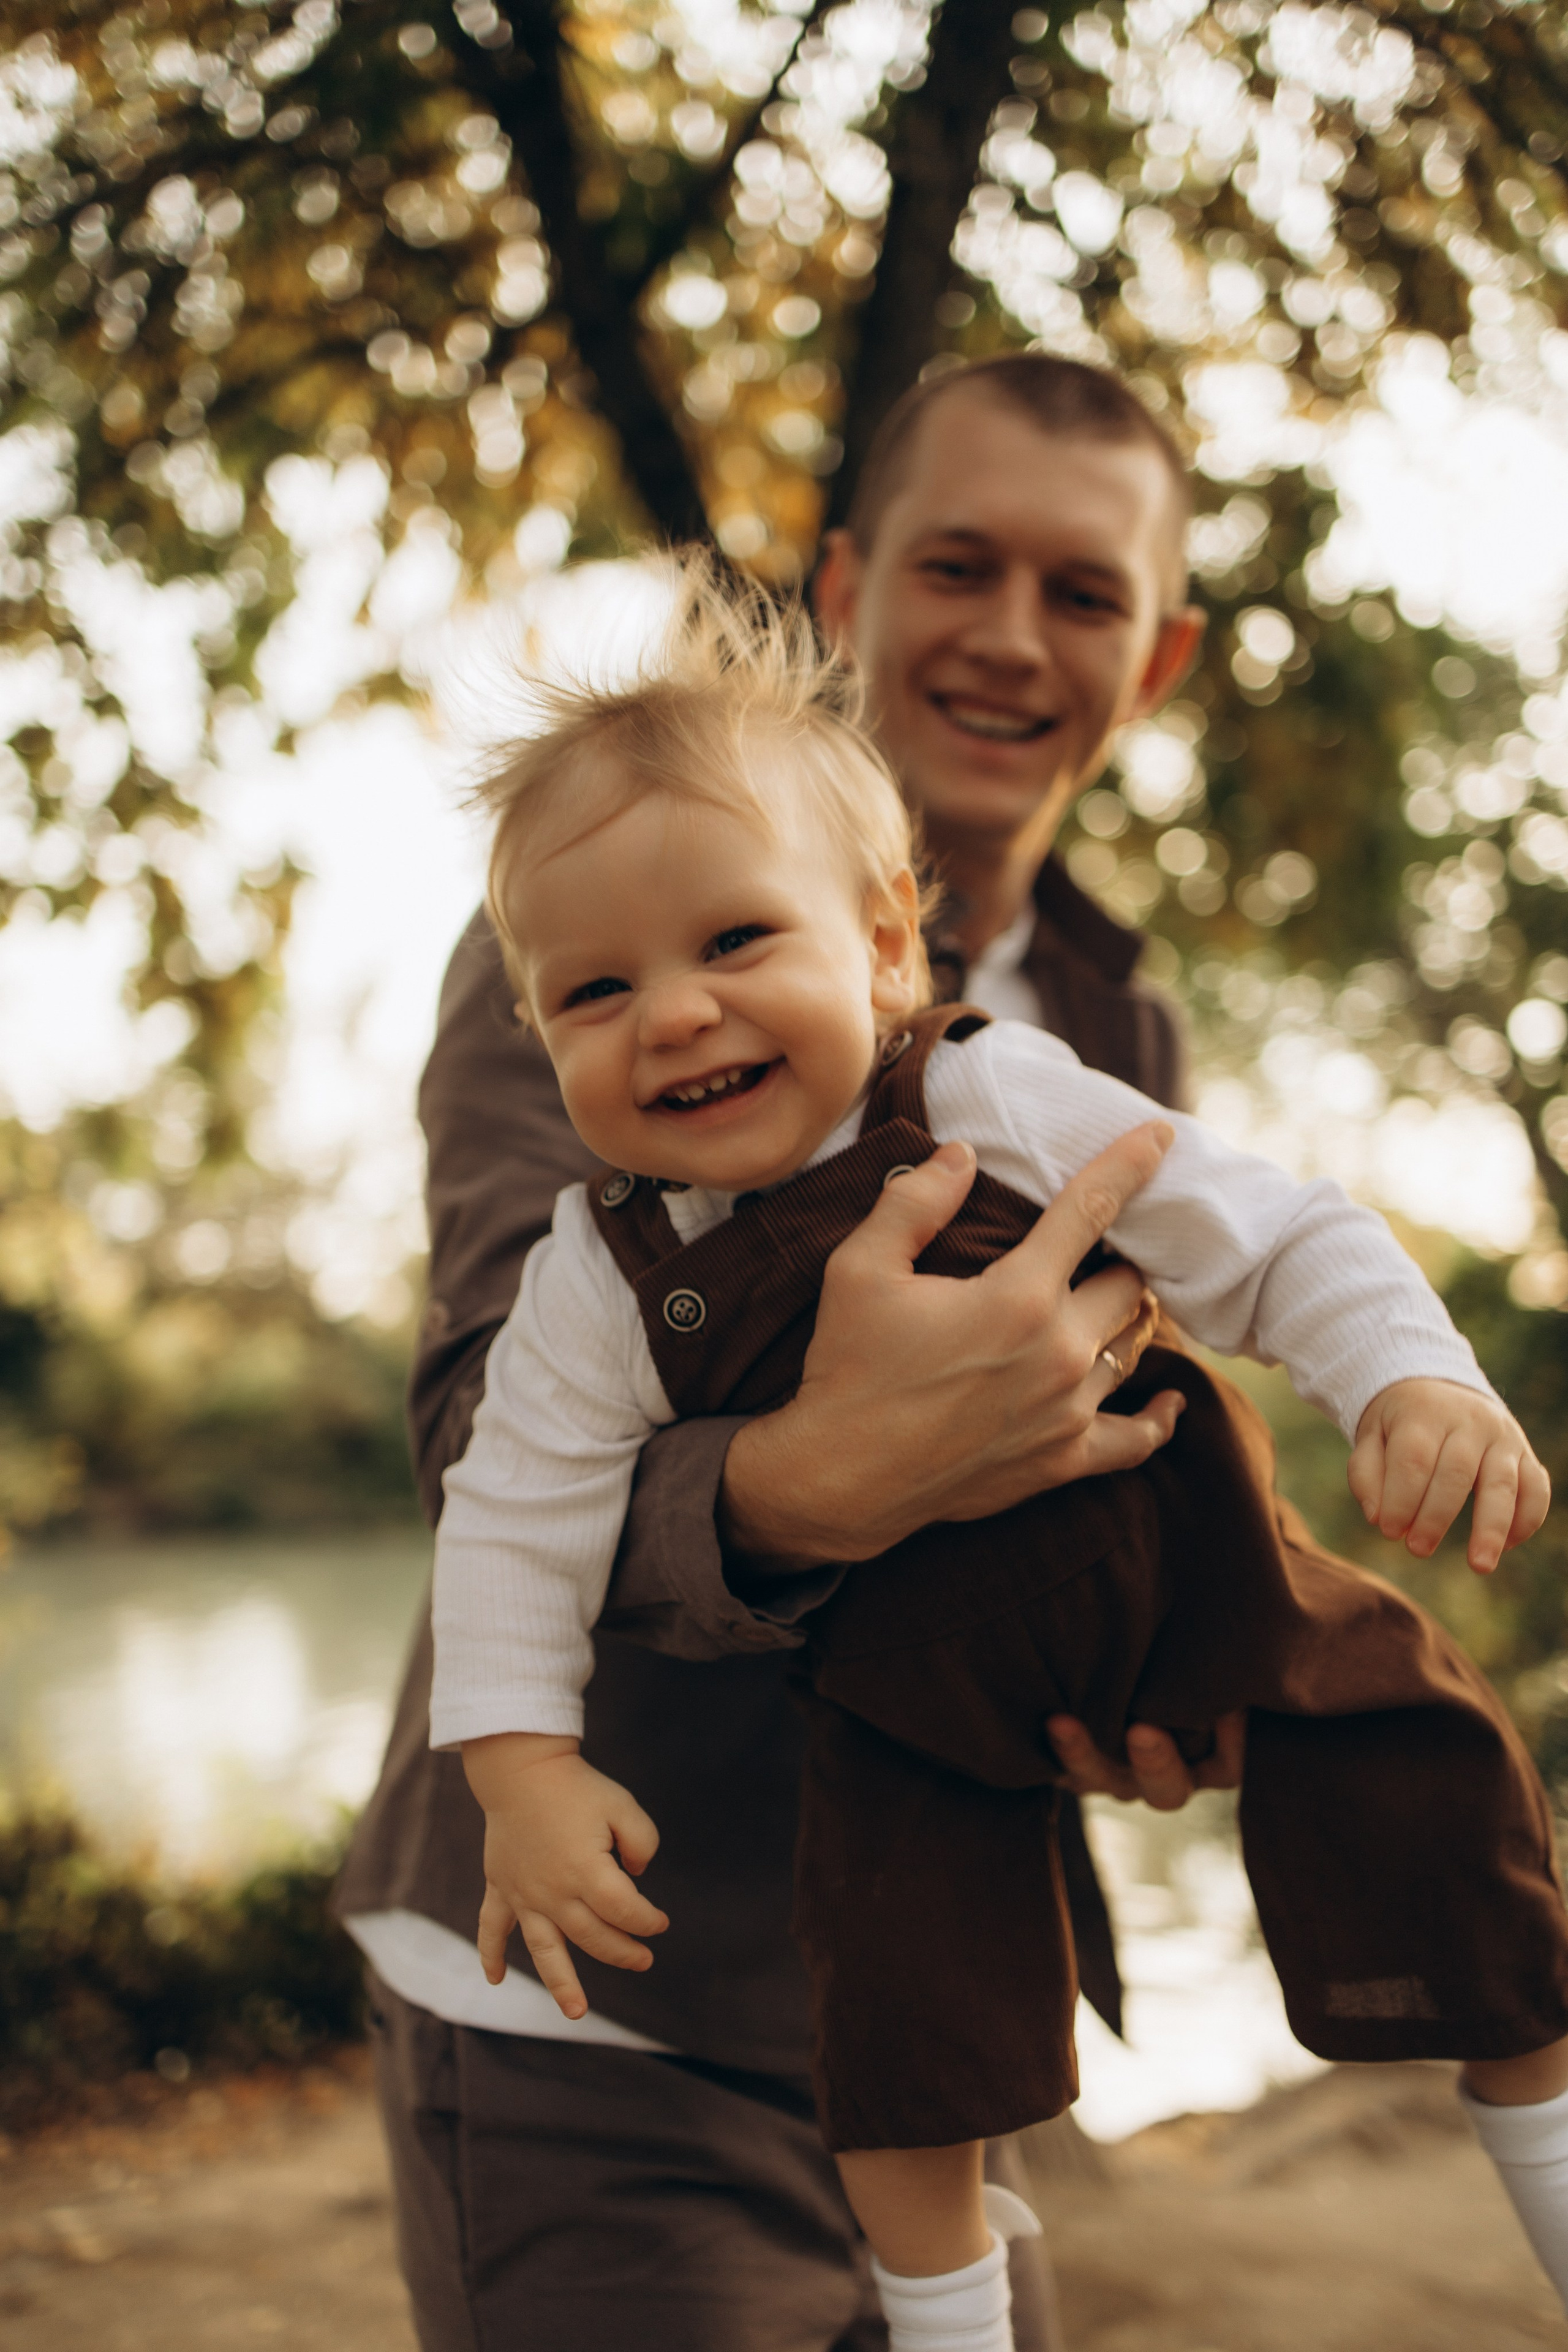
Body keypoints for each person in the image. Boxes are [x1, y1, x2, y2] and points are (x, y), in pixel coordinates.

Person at [429, 549, 1563, 2352]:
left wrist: (1410, 1381)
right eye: (595, 994)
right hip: (898, 1715)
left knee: (1427, 1775)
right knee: (906, 2022)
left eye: (735, 943)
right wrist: (520, 1772)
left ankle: (1547, 2151)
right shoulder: (601, 1269)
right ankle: (948, 2321)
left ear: (887, 946)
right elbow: (505, 1510)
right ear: (538, 1028)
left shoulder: (984, 1089)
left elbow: (1266, 1232)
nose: (673, 1013)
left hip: (1205, 1588)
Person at [332, 355, 1310, 2347]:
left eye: (1083, 591)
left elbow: (1113, 1433)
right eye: (959, 565)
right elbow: (478, 1433)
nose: (1012, 634)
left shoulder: (1117, 1025)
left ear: (1156, 657)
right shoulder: (610, 956)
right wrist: (820, 1483)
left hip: (934, 1977)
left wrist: (1148, 1660)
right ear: (849, 585)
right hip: (600, 2008)